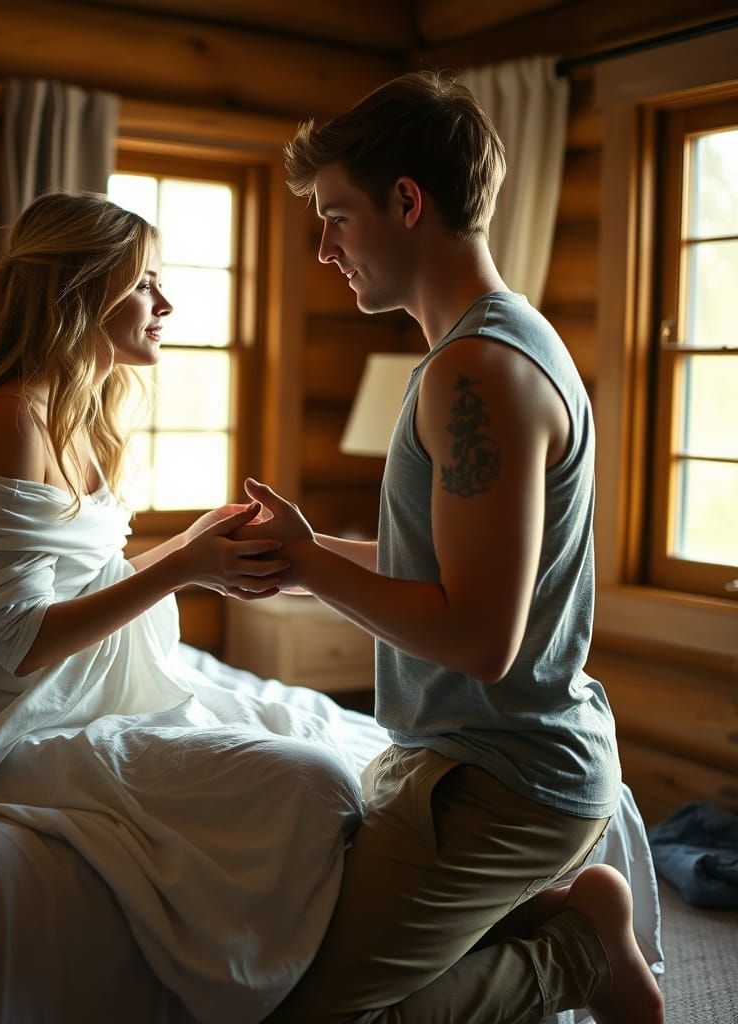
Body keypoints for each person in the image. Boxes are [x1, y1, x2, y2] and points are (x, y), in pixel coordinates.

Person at [0, 191, 365, 1022]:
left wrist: (189, 546)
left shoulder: (82, 415)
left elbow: (83, 577)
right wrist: (184, 571)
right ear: (79, 293)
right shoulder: (7, 420)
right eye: (145, 285)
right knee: (310, 784)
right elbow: (18, 644)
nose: (166, 305)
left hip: (60, 700)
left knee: (316, 740)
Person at [239, 72, 665, 1023]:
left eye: (337, 218)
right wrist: (304, 555)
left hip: (505, 787)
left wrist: (311, 569)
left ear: (407, 200)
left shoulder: (477, 369)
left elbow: (480, 636)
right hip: (479, 763)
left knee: (315, 1013)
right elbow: (442, 566)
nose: (323, 249)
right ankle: (557, 919)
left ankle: (573, 952)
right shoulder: (477, 350)